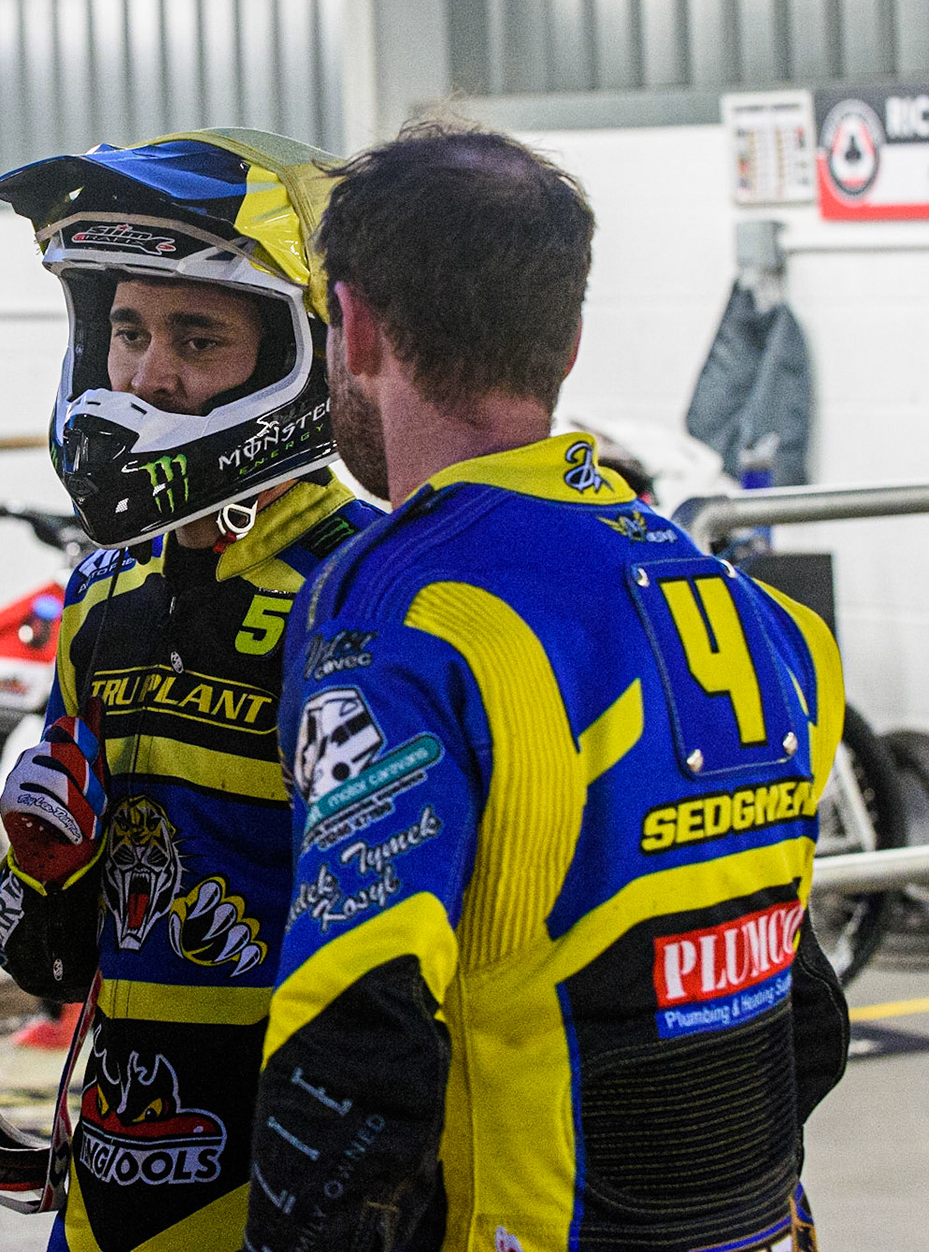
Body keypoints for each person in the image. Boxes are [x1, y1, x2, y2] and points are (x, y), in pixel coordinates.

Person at [246, 122, 849, 1252]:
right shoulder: (764, 620)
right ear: (568, 339)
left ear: (358, 325)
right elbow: (799, 1009)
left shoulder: (399, 611)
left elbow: (353, 1034)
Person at [0, 131, 381, 1249]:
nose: (148, 375)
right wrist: (45, 868)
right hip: (114, 1177)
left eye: (197, 336)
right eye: (126, 329)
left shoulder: (370, 593)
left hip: (298, 1187)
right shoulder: (103, 595)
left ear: (297, 354)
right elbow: (45, 962)